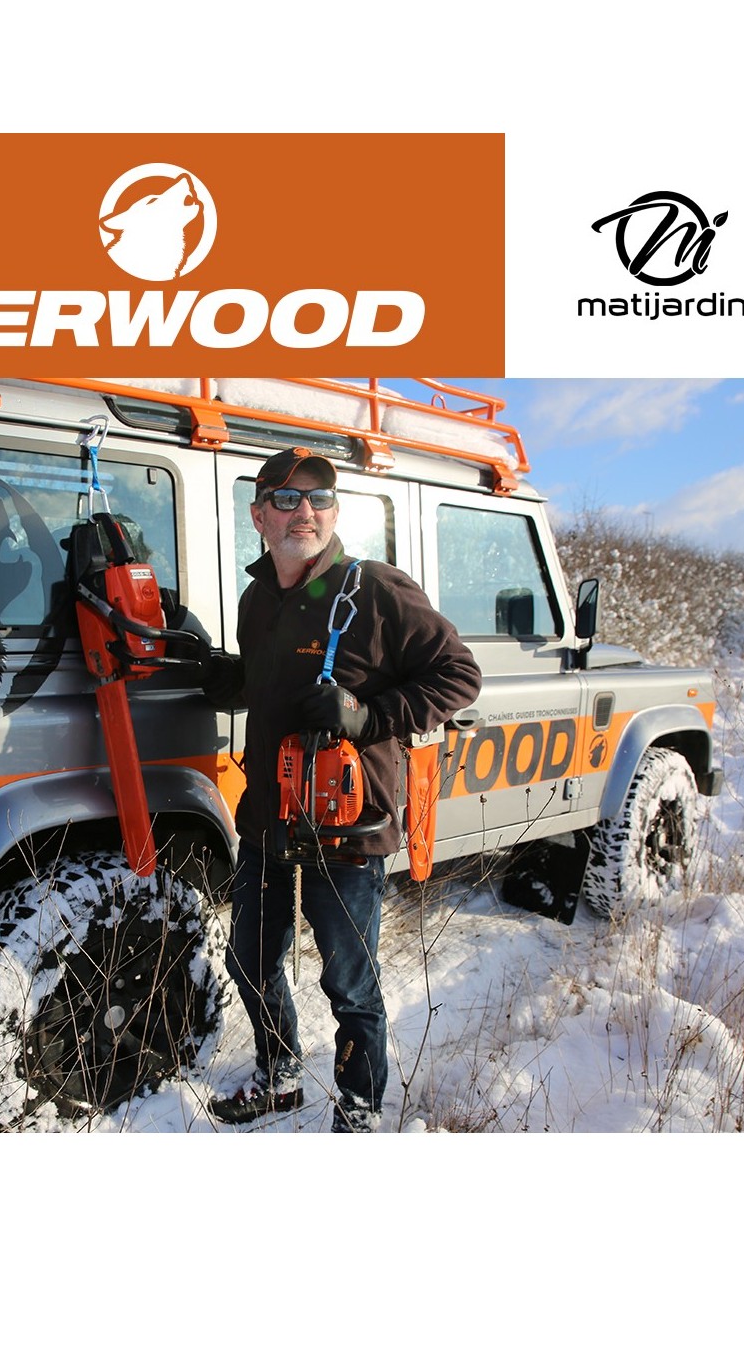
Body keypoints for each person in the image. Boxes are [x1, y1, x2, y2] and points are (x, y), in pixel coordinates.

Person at [201, 447, 482, 1131]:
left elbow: (459, 674)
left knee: (349, 983)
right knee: (249, 960)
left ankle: (359, 1109)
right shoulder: (255, 600)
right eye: (287, 498)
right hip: (268, 816)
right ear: (259, 516)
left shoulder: (377, 591)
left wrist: (369, 716)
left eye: (320, 497)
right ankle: (280, 1075)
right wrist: (216, 673)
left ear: (334, 511)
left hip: (346, 827)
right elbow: (271, 685)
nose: (306, 510)